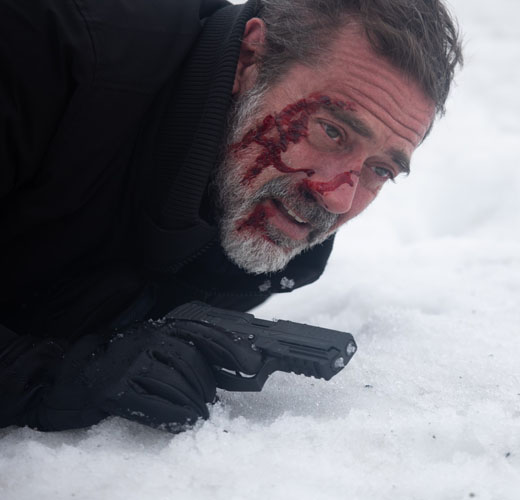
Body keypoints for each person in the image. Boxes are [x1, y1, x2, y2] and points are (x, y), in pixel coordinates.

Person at [0, 0, 462, 432]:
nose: (339, 199)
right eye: (332, 131)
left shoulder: (247, 230)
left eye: (380, 170)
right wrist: (55, 376)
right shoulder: (46, 46)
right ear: (248, 59)